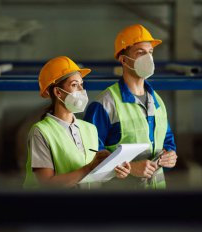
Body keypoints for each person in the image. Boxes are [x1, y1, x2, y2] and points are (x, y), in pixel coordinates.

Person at [84, 24, 177, 189]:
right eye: (140, 53)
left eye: (150, 52)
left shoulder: (157, 101)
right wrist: (132, 168)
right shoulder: (104, 104)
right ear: (124, 60)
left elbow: (167, 139)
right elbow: (90, 156)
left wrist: (170, 154)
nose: (148, 57)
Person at [23, 56, 131, 188]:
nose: (81, 90)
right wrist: (88, 168)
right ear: (58, 92)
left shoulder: (90, 128)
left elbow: (93, 176)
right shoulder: (41, 131)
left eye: (82, 84)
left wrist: (113, 170)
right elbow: (47, 184)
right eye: (74, 85)